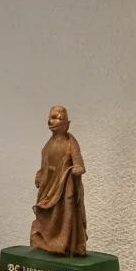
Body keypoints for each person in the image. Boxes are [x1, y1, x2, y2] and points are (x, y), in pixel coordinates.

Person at [30, 104, 87, 256]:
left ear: (67, 124)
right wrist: (39, 174)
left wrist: (76, 169)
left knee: (66, 214)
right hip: (48, 189)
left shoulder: (70, 142)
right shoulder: (48, 145)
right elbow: (45, 166)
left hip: (65, 187)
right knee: (46, 216)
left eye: (57, 118)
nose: (51, 121)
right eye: (50, 117)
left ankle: (66, 244)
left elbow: (79, 163)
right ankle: (46, 242)